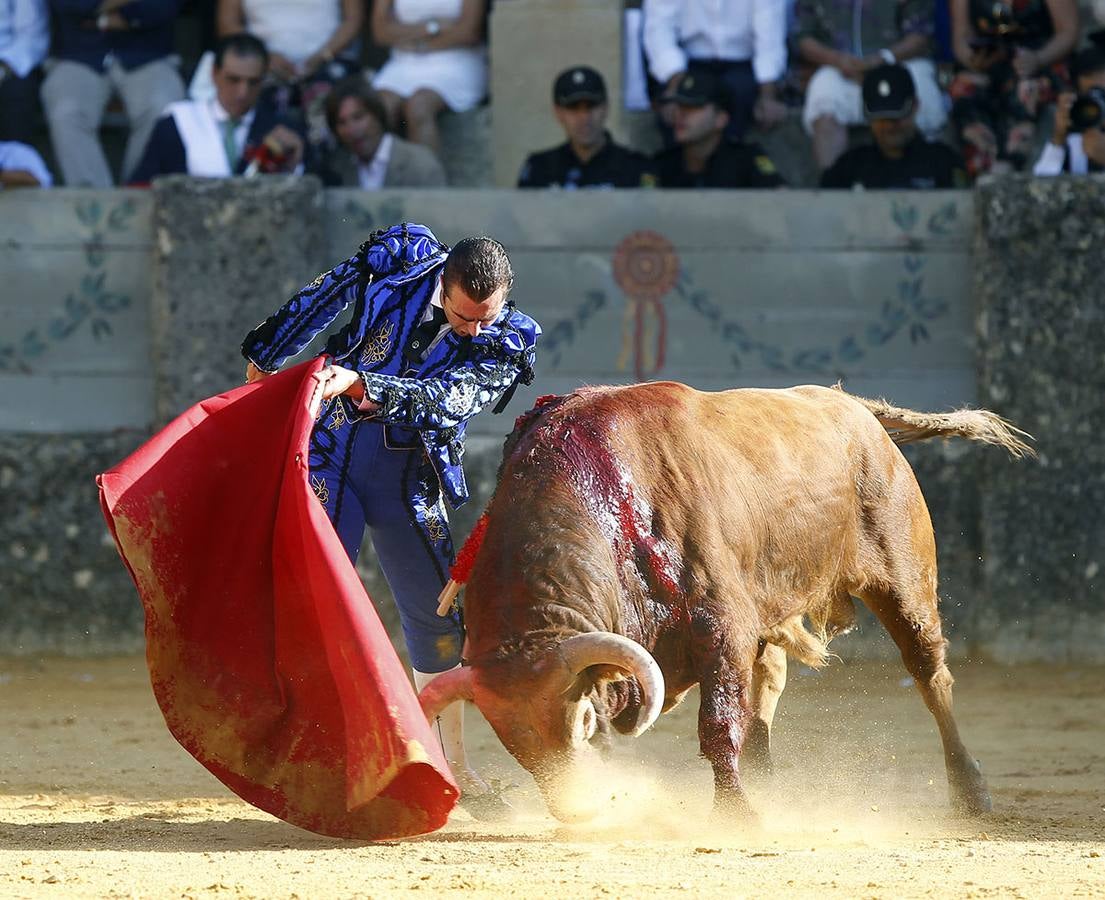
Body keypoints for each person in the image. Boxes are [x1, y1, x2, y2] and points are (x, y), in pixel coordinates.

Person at [240, 223, 541, 819]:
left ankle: (452, 760)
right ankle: (317, 754)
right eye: (463, 317)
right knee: (312, 599)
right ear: (443, 285)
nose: (476, 329)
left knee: (438, 621)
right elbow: (331, 289)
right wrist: (267, 353)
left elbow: (449, 400)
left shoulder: (511, 338)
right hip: (333, 454)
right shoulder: (403, 257)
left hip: (411, 479)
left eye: (486, 317)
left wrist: (361, 381)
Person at [41, 0, 186, 186]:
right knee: (66, 111)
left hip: (148, 54)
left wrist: (96, 14)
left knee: (162, 106)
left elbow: (164, 7)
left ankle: (135, 195)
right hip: (79, 55)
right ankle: (95, 203)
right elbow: (68, 5)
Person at [794, 0, 947, 172]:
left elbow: (921, 36)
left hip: (900, 61)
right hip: (839, 66)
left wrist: (883, 58)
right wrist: (838, 60)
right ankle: (832, 187)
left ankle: (928, 180)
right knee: (823, 95)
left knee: (923, 92)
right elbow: (803, 38)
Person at [129, 33, 303, 182]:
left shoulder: (283, 132)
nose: (243, 92)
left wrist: (295, 165)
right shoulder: (177, 123)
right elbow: (144, 186)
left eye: (253, 82)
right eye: (233, 80)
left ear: (264, 79)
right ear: (214, 74)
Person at [948, 0, 1079, 176]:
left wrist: (1038, 59)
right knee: (964, 88)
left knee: (1026, 89)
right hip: (988, 64)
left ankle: (1011, 164)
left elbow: (1068, 33)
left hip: (1040, 61)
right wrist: (973, 60)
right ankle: (982, 165)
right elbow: (961, 38)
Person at [642, 0, 789, 141]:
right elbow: (658, 29)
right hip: (687, 63)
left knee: (738, 100)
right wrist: (675, 83)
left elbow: (770, 38)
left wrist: (767, 95)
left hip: (743, 65)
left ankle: (727, 163)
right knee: (678, 104)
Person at [370, 0, 488, 157]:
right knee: (380, 108)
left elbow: (468, 31)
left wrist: (419, 45)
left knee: (418, 107)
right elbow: (381, 31)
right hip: (403, 62)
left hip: (458, 60)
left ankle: (428, 179)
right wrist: (433, 27)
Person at [821, 64, 967, 189]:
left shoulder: (943, 163)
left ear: (916, 106)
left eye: (897, 116)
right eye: (882, 118)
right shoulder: (848, 169)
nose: (890, 125)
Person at [517, 65, 656, 189]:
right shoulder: (540, 169)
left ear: (605, 108)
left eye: (591, 106)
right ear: (558, 113)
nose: (584, 118)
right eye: (573, 108)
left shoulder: (636, 169)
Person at [654, 69, 785, 188]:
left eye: (693, 107)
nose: (681, 114)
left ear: (721, 119)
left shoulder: (745, 161)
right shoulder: (662, 164)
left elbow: (781, 198)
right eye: (679, 106)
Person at [313, 75, 447, 188]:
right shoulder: (336, 168)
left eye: (358, 117)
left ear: (377, 115)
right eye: (342, 122)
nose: (352, 129)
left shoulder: (419, 163)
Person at [1033, 46, 1105, 174]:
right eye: (1091, 96)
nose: (1098, 104)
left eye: (1103, 95)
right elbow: (1040, 187)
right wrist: (1058, 139)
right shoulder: (1075, 139)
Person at [0, 0, 50, 145]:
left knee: (17, 90)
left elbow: (32, 37)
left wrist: (4, 68)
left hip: (9, 62)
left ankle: (13, 164)